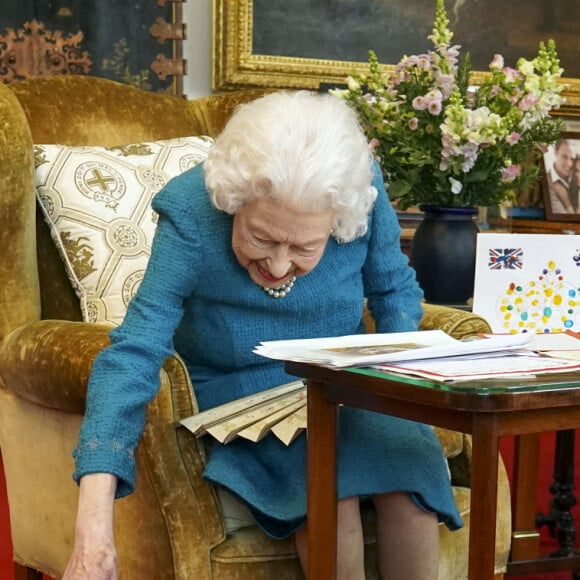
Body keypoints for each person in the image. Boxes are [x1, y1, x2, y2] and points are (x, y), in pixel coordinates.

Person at [63, 90, 462, 580]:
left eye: (304, 247)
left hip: (346, 384)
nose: (277, 265)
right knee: (328, 497)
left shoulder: (358, 189)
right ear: (236, 199)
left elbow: (393, 289)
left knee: (411, 482)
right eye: (261, 237)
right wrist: (94, 522)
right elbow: (135, 349)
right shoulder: (191, 211)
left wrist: (394, 378)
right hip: (242, 391)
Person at [547, 139, 575, 213]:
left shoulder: (576, 178)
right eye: (564, 157)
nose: (569, 164)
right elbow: (562, 217)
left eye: (572, 159)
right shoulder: (546, 181)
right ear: (556, 153)